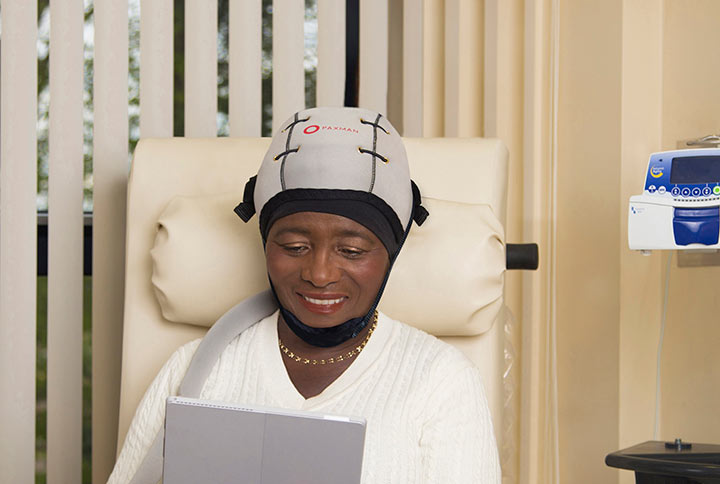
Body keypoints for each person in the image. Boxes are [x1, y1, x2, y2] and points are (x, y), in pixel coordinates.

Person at [108, 107, 500, 483]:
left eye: (352, 251)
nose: (319, 274)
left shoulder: (441, 381)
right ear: (265, 245)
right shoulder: (194, 370)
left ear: (390, 255)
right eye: (294, 247)